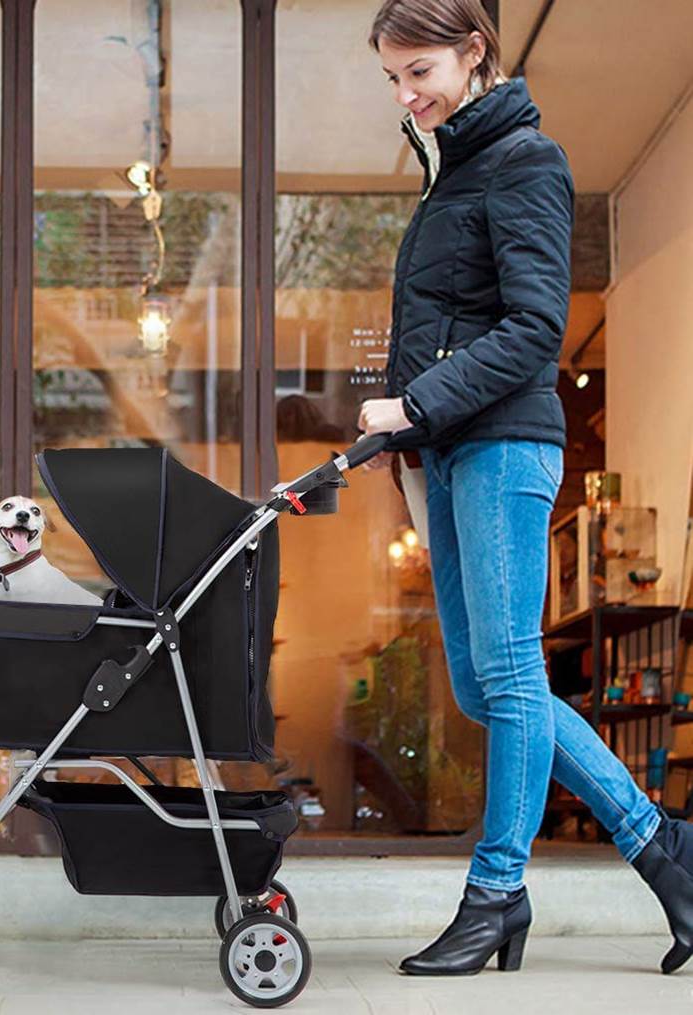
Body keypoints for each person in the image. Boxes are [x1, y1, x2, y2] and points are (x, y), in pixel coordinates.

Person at [357, 0, 693, 978]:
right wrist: (409, 426)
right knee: (489, 684)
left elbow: (537, 329)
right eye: (392, 78)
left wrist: (413, 399)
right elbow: (458, 316)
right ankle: (667, 850)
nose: (407, 95)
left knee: (506, 682)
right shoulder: (454, 171)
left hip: (505, 448)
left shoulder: (524, 162)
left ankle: (497, 890)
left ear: (472, 52)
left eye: (418, 71)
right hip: (456, 448)